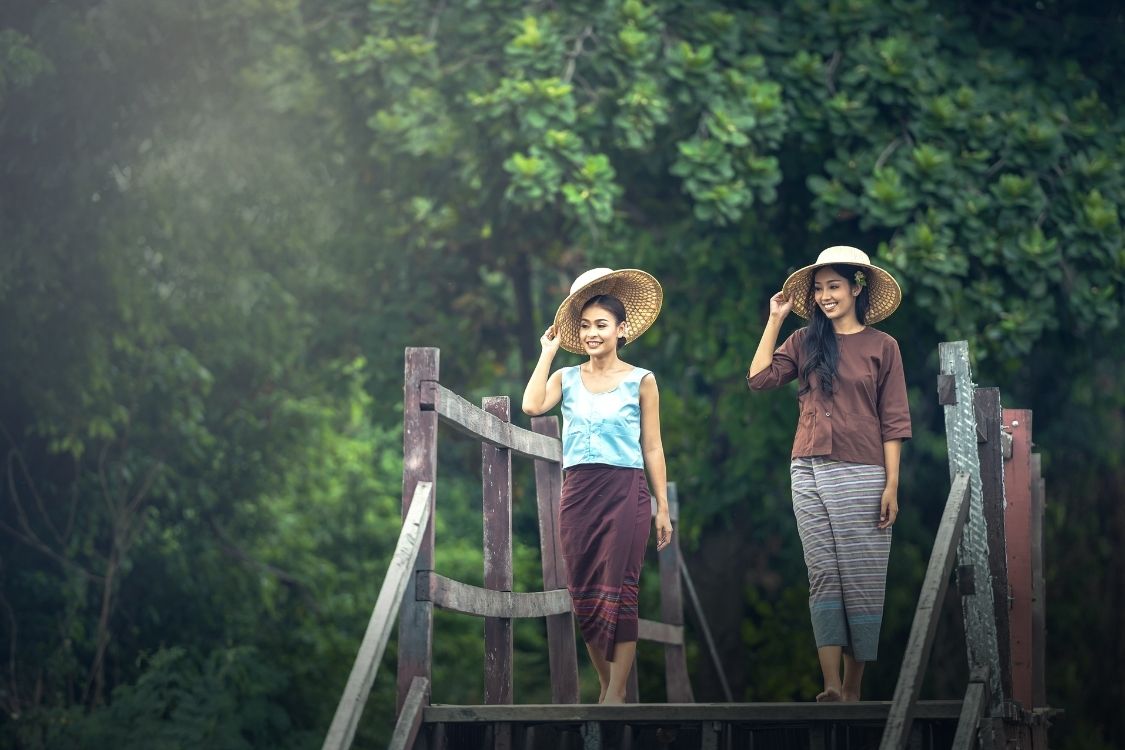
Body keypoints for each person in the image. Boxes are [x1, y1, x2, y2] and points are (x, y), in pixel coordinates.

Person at [746, 246, 912, 703]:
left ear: (857, 288)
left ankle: (855, 686)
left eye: (833, 287)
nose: (824, 297)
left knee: (861, 575)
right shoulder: (804, 341)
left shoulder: (884, 347)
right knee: (822, 573)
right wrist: (775, 319)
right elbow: (759, 378)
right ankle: (832, 685)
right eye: (818, 289)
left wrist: (892, 485)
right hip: (807, 469)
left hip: (864, 472)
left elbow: (894, 420)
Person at [522, 267, 673, 704]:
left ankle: (617, 691)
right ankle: (608, 686)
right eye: (585, 326)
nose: (592, 333)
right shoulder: (566, 378)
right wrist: (548, 352)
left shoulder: (641, 380)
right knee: (584, 590)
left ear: (621, 329)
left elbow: (653, 447)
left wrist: (661, 506)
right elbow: (532, 405)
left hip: (625, 490)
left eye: (601, 325)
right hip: (579, 493)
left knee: (622, 586)